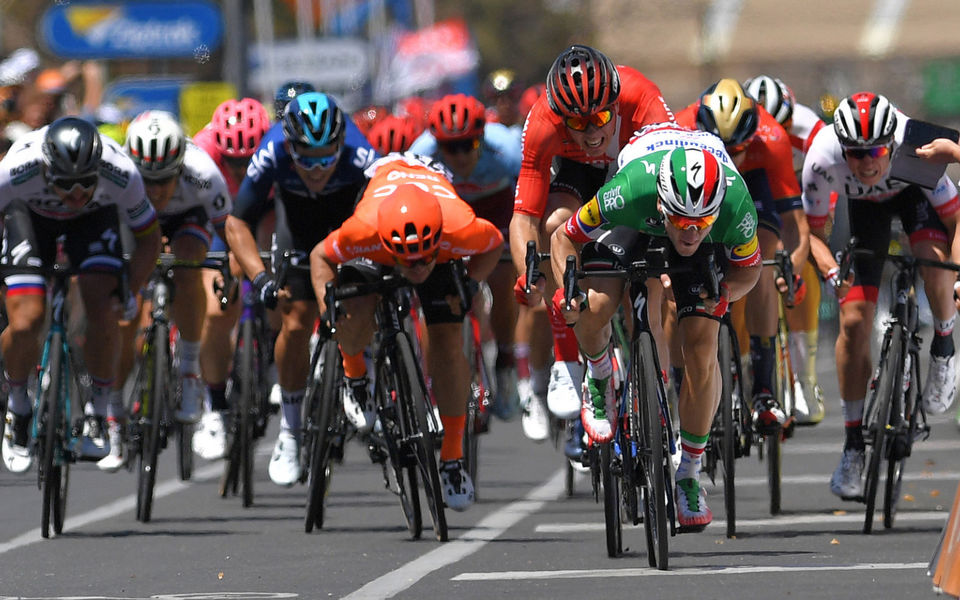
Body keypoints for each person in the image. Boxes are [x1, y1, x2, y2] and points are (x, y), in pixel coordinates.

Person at [550, 124, 761, 529]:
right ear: (665, 206)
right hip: (636, 220)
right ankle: (599, 373)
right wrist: (567, 295)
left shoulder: (735, 205)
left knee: (702, 348)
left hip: (699, 232)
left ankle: (689, 473)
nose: (691, 230)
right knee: (596, 306)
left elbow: (748, 274)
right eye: (682, 221)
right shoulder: (629, 190)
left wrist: (723, 296)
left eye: (701, 221)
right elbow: (564, 237)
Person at [309, 153, 505, 511]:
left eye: (422, 259)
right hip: (382, 220)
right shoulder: (362, 231)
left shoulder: (461, 227)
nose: (415, 268)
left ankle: (452, 457)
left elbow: (493, 246)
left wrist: (472, 285)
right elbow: (319, 256)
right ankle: (355, 378)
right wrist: (330, 315)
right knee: (357, 307)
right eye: (407, 260)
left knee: (447, 342)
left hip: (437, 228)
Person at [509, 44, 674, 461]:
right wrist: (527, 273)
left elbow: (674, 185)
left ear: (615, 105)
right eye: (577, 122)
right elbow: (523, 216)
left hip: (640, 169)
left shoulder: (642, 97)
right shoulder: (543, 120)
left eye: (600, 117)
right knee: (551, 226)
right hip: (579, 174)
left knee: (655, 285)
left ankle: (659, 396)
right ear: (560, 115)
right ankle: (572, 357)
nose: (591, 130)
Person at [804, 92, 960, 500]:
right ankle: (854, 445)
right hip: (863, 213)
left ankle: (944, 348)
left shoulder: (917, 144)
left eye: (875, 150)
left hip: (917, 201)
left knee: (935, 265)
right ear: (841, 148)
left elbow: (955, 218)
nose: (867, 162)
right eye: (855, 154)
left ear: (892, 143)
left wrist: (957, 278)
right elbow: (811, 235)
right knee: (853, 321)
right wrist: (831, 271)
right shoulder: (822, 159)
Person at [224, 91, 378, 486]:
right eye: (304, 156)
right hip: (298, 228)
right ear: (287, 144)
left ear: (341, 144)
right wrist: (259, 277)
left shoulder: (362, 156)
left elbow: (386, 209)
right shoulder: (271, 151)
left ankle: (364, 369)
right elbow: (237, 224)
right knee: (293, 322)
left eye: (326, 155)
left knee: (361, 303)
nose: (315, 167)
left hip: (350, 222)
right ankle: (290, 432)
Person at [0, 117, 161, 473]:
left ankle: (99, 412)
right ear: (45, 168)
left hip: (94, 222)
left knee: (103, 306)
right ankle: (18, 406)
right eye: (65, 184)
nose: (75, 194)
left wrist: (131, 291)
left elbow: (150, 238)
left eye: (85, 184)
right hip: (29, 217)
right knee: (25, 319)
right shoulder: (15, 169)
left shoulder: (120, 172)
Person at [407, 94, 546, 437]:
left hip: (495, 208)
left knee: (501, 281)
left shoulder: (509, 151)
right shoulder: (420, 154)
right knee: (434, 304)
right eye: (449, 148)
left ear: (481, 139)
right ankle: (434, 388)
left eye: (467, 145)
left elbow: (531, 207)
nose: (459, 156)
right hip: (446, 211)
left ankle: (505, 359)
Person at [676, 78, 809, 436]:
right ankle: (681, 380)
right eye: (724, 147)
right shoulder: (681, 127)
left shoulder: (772, 139)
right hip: (699, 177)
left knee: (762, 265)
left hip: (755, 183)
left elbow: (796, 223)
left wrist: (792, 267)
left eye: (739, 149)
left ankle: (764, 390)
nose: (730, 156)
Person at [117, 110, 233, 468]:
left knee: (188, 267)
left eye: (163, 180)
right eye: (146, 180)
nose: (154, 190)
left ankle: (188, 368)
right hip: (134, 220)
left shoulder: (203, 173)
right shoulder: (118, 171)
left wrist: (231, 270)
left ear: (180, 167)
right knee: (121, 295)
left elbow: (229, 230)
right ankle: (114, 408)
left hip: (187, 220)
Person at [743, 74, 828, 424]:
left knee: (805, 258)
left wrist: (814, 239)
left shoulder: (812, 130)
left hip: (800, 192)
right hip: (753, 190)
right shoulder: (738, 131)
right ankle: (744, 367)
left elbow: (827, 184)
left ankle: (805, 379)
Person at [191, 97, 272, 459]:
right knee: (215, 310)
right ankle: (216, 403)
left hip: (261, 210)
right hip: (215, 216)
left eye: (248, 161)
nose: (240, 168)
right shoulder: (201, 155)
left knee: (277, 279)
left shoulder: (276, 150)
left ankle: (270, 355)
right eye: (233, 161)